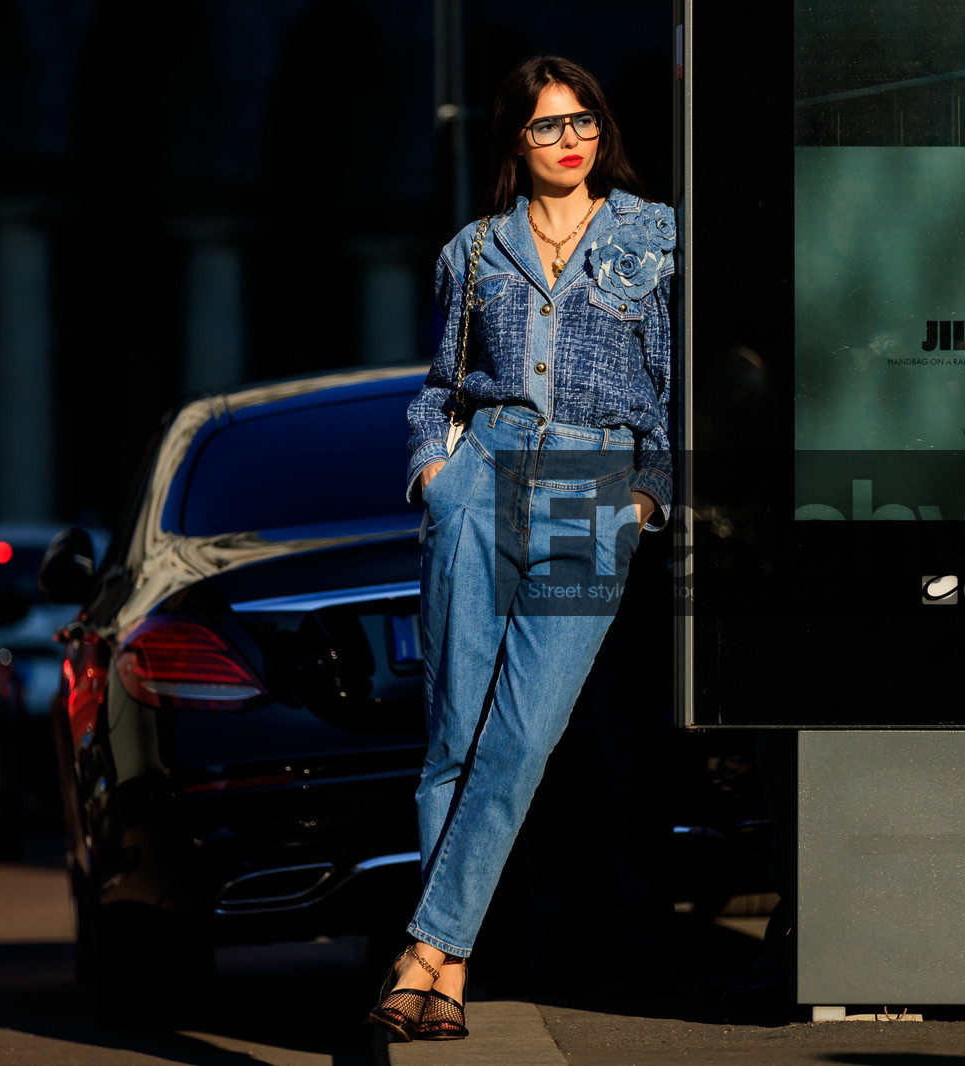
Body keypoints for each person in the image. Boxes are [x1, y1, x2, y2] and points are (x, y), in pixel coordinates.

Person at [368, 54, 675, 1042]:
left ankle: (423, 944)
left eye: (581, 119)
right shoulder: (470, 252)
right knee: (454, 737)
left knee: (526, 734)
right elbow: (436, 388)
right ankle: (446, 977)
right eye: (546, 125)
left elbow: (671, 387)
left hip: (590, 491)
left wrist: (644, 494)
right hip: (480, 482)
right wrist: (434, 471)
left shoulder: (648, 235)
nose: (569, 139)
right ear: (512, 141)